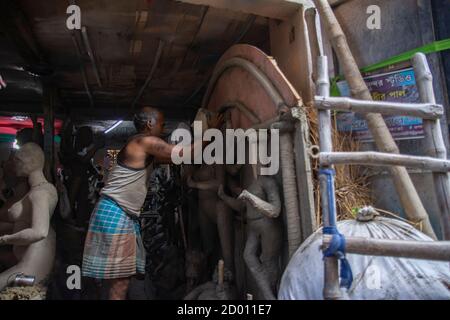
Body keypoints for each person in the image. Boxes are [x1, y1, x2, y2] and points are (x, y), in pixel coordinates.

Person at [82, 106, 222, 300]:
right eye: (162, 124)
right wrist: (210, 132)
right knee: (119, 282)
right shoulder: (143, 141)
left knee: (114, 280)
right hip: (116, 212)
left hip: (115, 212)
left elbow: (174, 160)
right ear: (149, 124)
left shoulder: (140, 146)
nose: (163, 128)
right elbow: (184, 154)